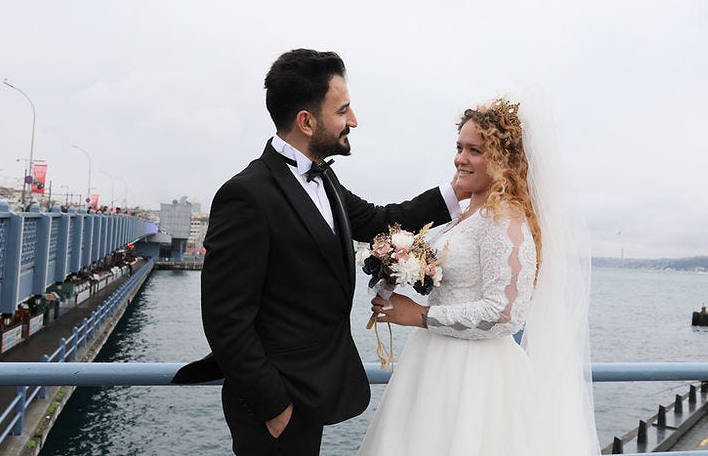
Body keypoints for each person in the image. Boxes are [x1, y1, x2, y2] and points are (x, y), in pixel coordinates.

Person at [172, 48, 465, 456]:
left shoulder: (324, 179)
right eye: (343, 110)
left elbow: (380, 220)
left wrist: (457, 191)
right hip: (272, 406)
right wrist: (275, 406)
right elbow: (225, 318)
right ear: (306, 121)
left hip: (312, 392)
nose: (354, 121)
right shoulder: (246, 195)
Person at [358, 98, 600, 455]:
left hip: (474, 378)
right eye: (459, 148)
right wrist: (401, 271)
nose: (460, 159)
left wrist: (421, 315)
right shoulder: (467, 215)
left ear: (503, 160)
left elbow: (505, 314)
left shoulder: (507, 221)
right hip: (433, 364)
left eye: (475, 150)